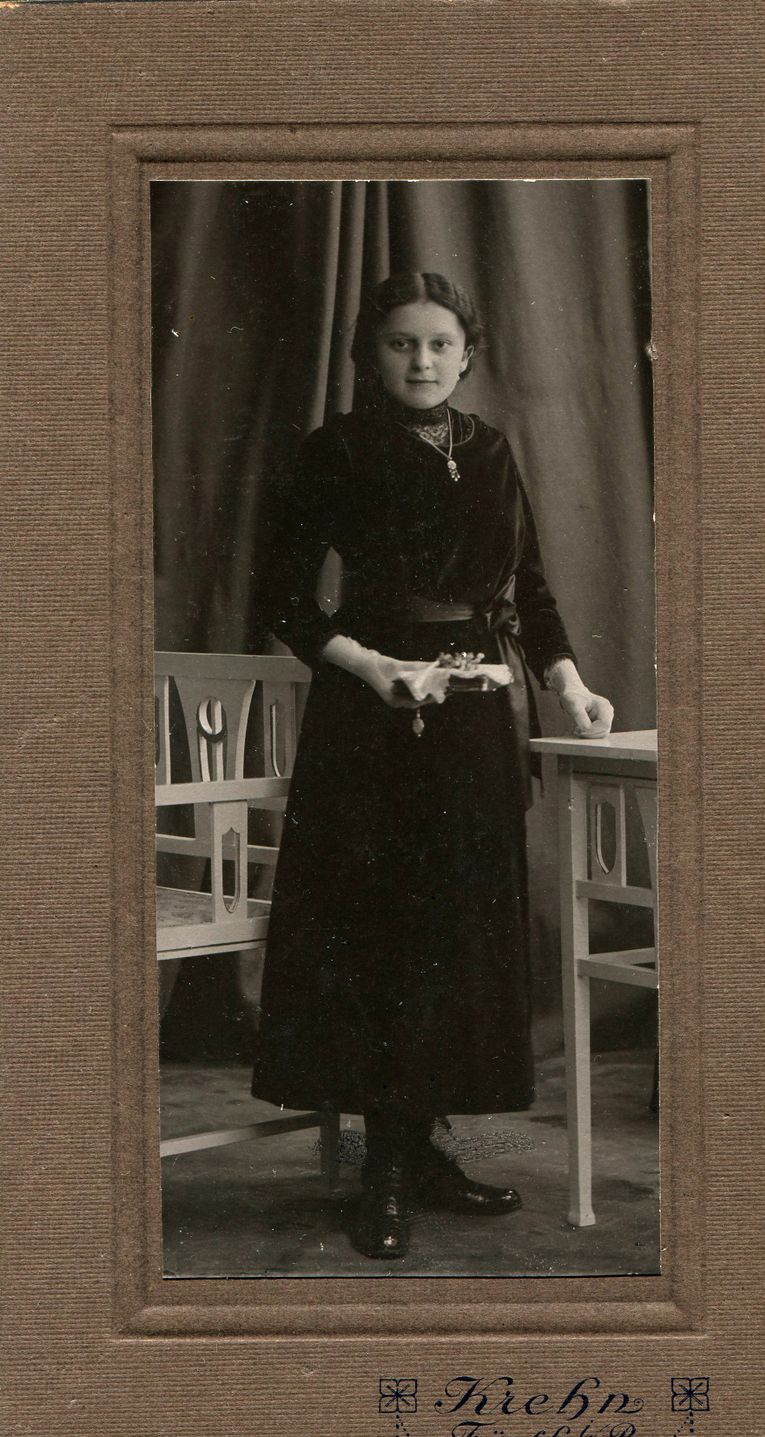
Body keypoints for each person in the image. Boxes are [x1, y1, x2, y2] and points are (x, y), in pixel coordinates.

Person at [252, 270, 613, 1260]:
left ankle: (421, 1151)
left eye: (439, 344)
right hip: (371, 723)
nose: (421, 360)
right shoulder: (335, 450)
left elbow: (527, 588)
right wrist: (376, 669)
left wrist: (569, 684)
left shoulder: (490, 450)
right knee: (384, 937)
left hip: (478, 722)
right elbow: (282, 597)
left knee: (457, 937)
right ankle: (381, 1170)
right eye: (401, 343)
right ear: (371, 356)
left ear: (467, 354)